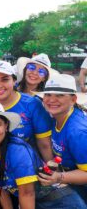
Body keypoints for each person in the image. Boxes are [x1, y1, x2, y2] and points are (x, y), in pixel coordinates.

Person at [0, 99, 86, 209]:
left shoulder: (17, 151)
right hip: (37, 202)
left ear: (6, 126)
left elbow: (27, 194)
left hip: (61, 202)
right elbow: (0, 189)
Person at [0, 60, 53, 162]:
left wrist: (53, 170)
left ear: (14, 80)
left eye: (5, 79)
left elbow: (44, 145)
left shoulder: (33, 104)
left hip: (28, 168)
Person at [37, 74, 87, 203]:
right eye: (48, 94)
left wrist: (59, 177)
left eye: (59, 95)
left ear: (73, 99)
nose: (51, 100)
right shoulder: (56, 116)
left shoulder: (77, 132)